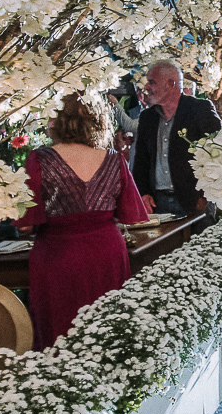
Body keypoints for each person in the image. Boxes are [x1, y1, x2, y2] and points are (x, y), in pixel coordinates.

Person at [17, 95, 148, 349]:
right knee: (108, 330)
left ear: (57, 120)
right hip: (105, 253)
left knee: (60, 333)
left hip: (58, 257)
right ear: (98, 121)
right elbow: (132, 215)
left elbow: (25, 223)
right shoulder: (114, 159)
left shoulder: (39, 159)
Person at [132, 61, 221, 217]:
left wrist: (204, 195)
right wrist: (144, 193)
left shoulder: (199, 109)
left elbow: (218, 153)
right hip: (158, 203)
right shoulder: (147, 117)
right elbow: (141, 161)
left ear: (170, 84)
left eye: (152, 82)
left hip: (195, 202)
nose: (146, 87)